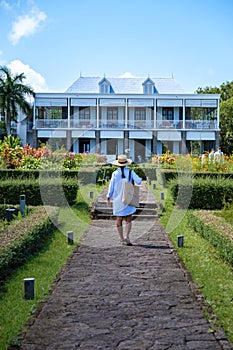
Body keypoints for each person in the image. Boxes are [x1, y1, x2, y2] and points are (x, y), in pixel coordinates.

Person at [106, 154, 142, 246]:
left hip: (117, 199)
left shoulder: (115, 173)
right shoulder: (130, 172)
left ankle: (121, 239)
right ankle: (127, 237)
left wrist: (108, 196)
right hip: (128, 197)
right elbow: (139, 181)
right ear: (126, 163)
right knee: (129, 217)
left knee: (119, 218)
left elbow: (111, 186)